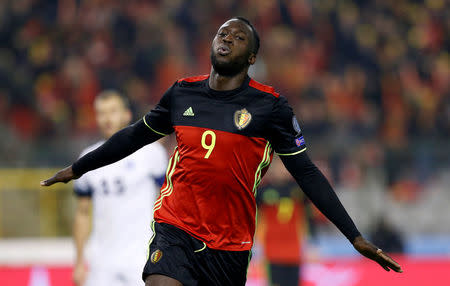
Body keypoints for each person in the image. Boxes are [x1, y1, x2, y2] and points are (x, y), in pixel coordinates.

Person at [41, 17, 402, 286]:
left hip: (230, 242)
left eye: (238, 36)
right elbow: (134, 136)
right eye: (222, 33)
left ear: (251, 57)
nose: (227, 38)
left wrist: (353, 236)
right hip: (176, 227)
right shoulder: (182, 93)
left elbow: (306, 173)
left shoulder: (270, 107)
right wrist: (79, 167)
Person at [70, 91, 168, 286]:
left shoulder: (151, 153)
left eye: (113, 111)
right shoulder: (87, 158)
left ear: (126, 114)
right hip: (101, 263)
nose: (107, 118)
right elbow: (82, 214)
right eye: (101, 113)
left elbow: (167, 203)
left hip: (142, 258)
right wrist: (79, 261)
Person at [256, 157, 317, 286]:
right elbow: (252, 216)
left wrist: (312, 240)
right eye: (278, 167)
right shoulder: (262, 191)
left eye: (283, 166)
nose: (281, 170)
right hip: (272, 250)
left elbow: (309, 216)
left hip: (294, 249)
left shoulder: (299, 189)